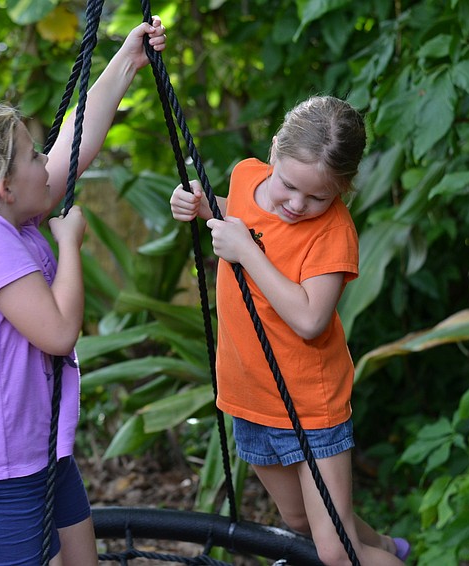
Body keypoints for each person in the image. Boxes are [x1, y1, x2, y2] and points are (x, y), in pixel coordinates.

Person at [0, 18, 167, 566]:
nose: (47, 162)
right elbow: (59, 333)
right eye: (32, 155)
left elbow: (74, 142)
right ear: (4, 186)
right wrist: (70, 245)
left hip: (39, 455)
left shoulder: (4, 216)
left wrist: (125, 62)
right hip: (0, 472)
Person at [169, 96, 410, 565]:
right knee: (298, 521)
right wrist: (202, 204)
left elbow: (309, 318)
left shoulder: (332, 234)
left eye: (318, 197)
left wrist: (245, 251)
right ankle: (382, 547)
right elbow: (241, 214)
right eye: (289, 186)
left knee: (335, 554)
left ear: (343, 189)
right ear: (274, 151)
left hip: (310, 407)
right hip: (249, 395)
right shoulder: (245, 176)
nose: (298, 205)